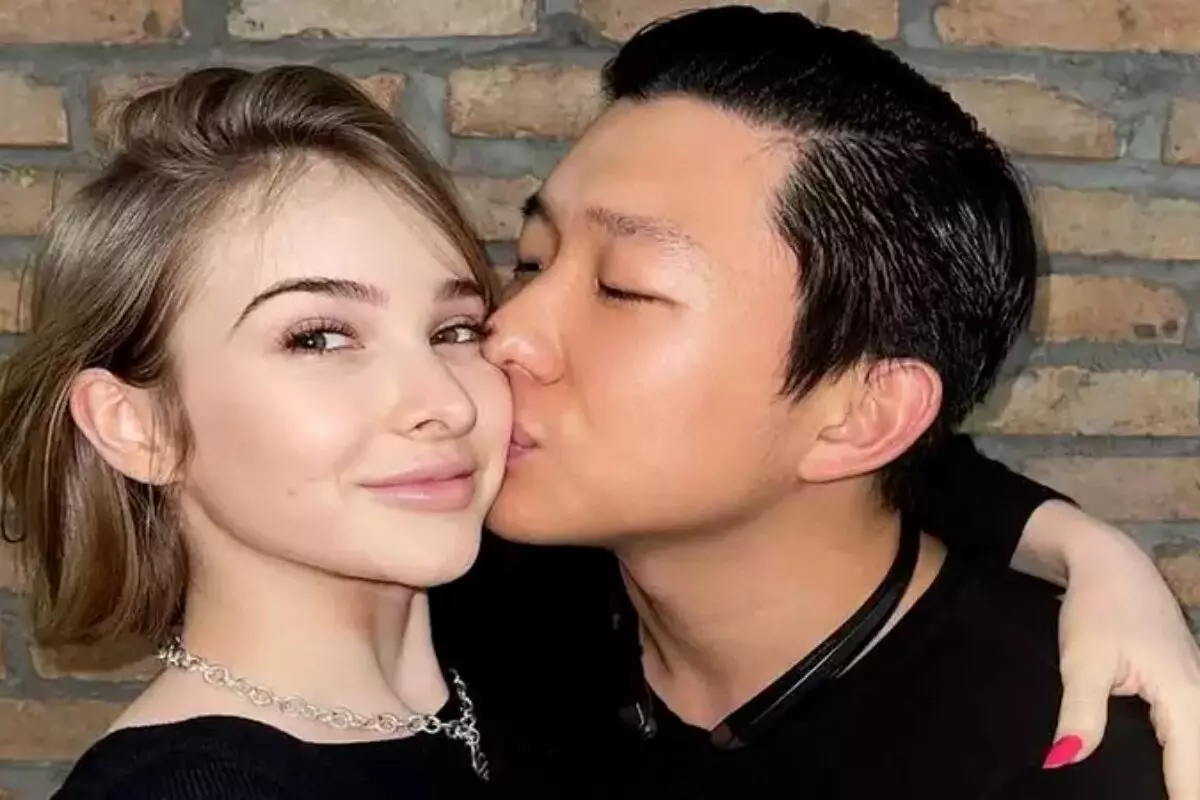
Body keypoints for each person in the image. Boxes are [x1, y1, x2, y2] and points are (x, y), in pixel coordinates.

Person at [427, 6, 1189, 798]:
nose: (507, 331)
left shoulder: (1054, 758)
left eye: (622, 288)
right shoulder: (469, 585)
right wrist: (1077, 540)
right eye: (531, 260)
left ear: (863, 415)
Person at [0, 66, 508, 798]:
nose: (447, 403)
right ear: (139, 428)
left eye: (455, 329)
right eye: (319, 338)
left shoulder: (542, 678)